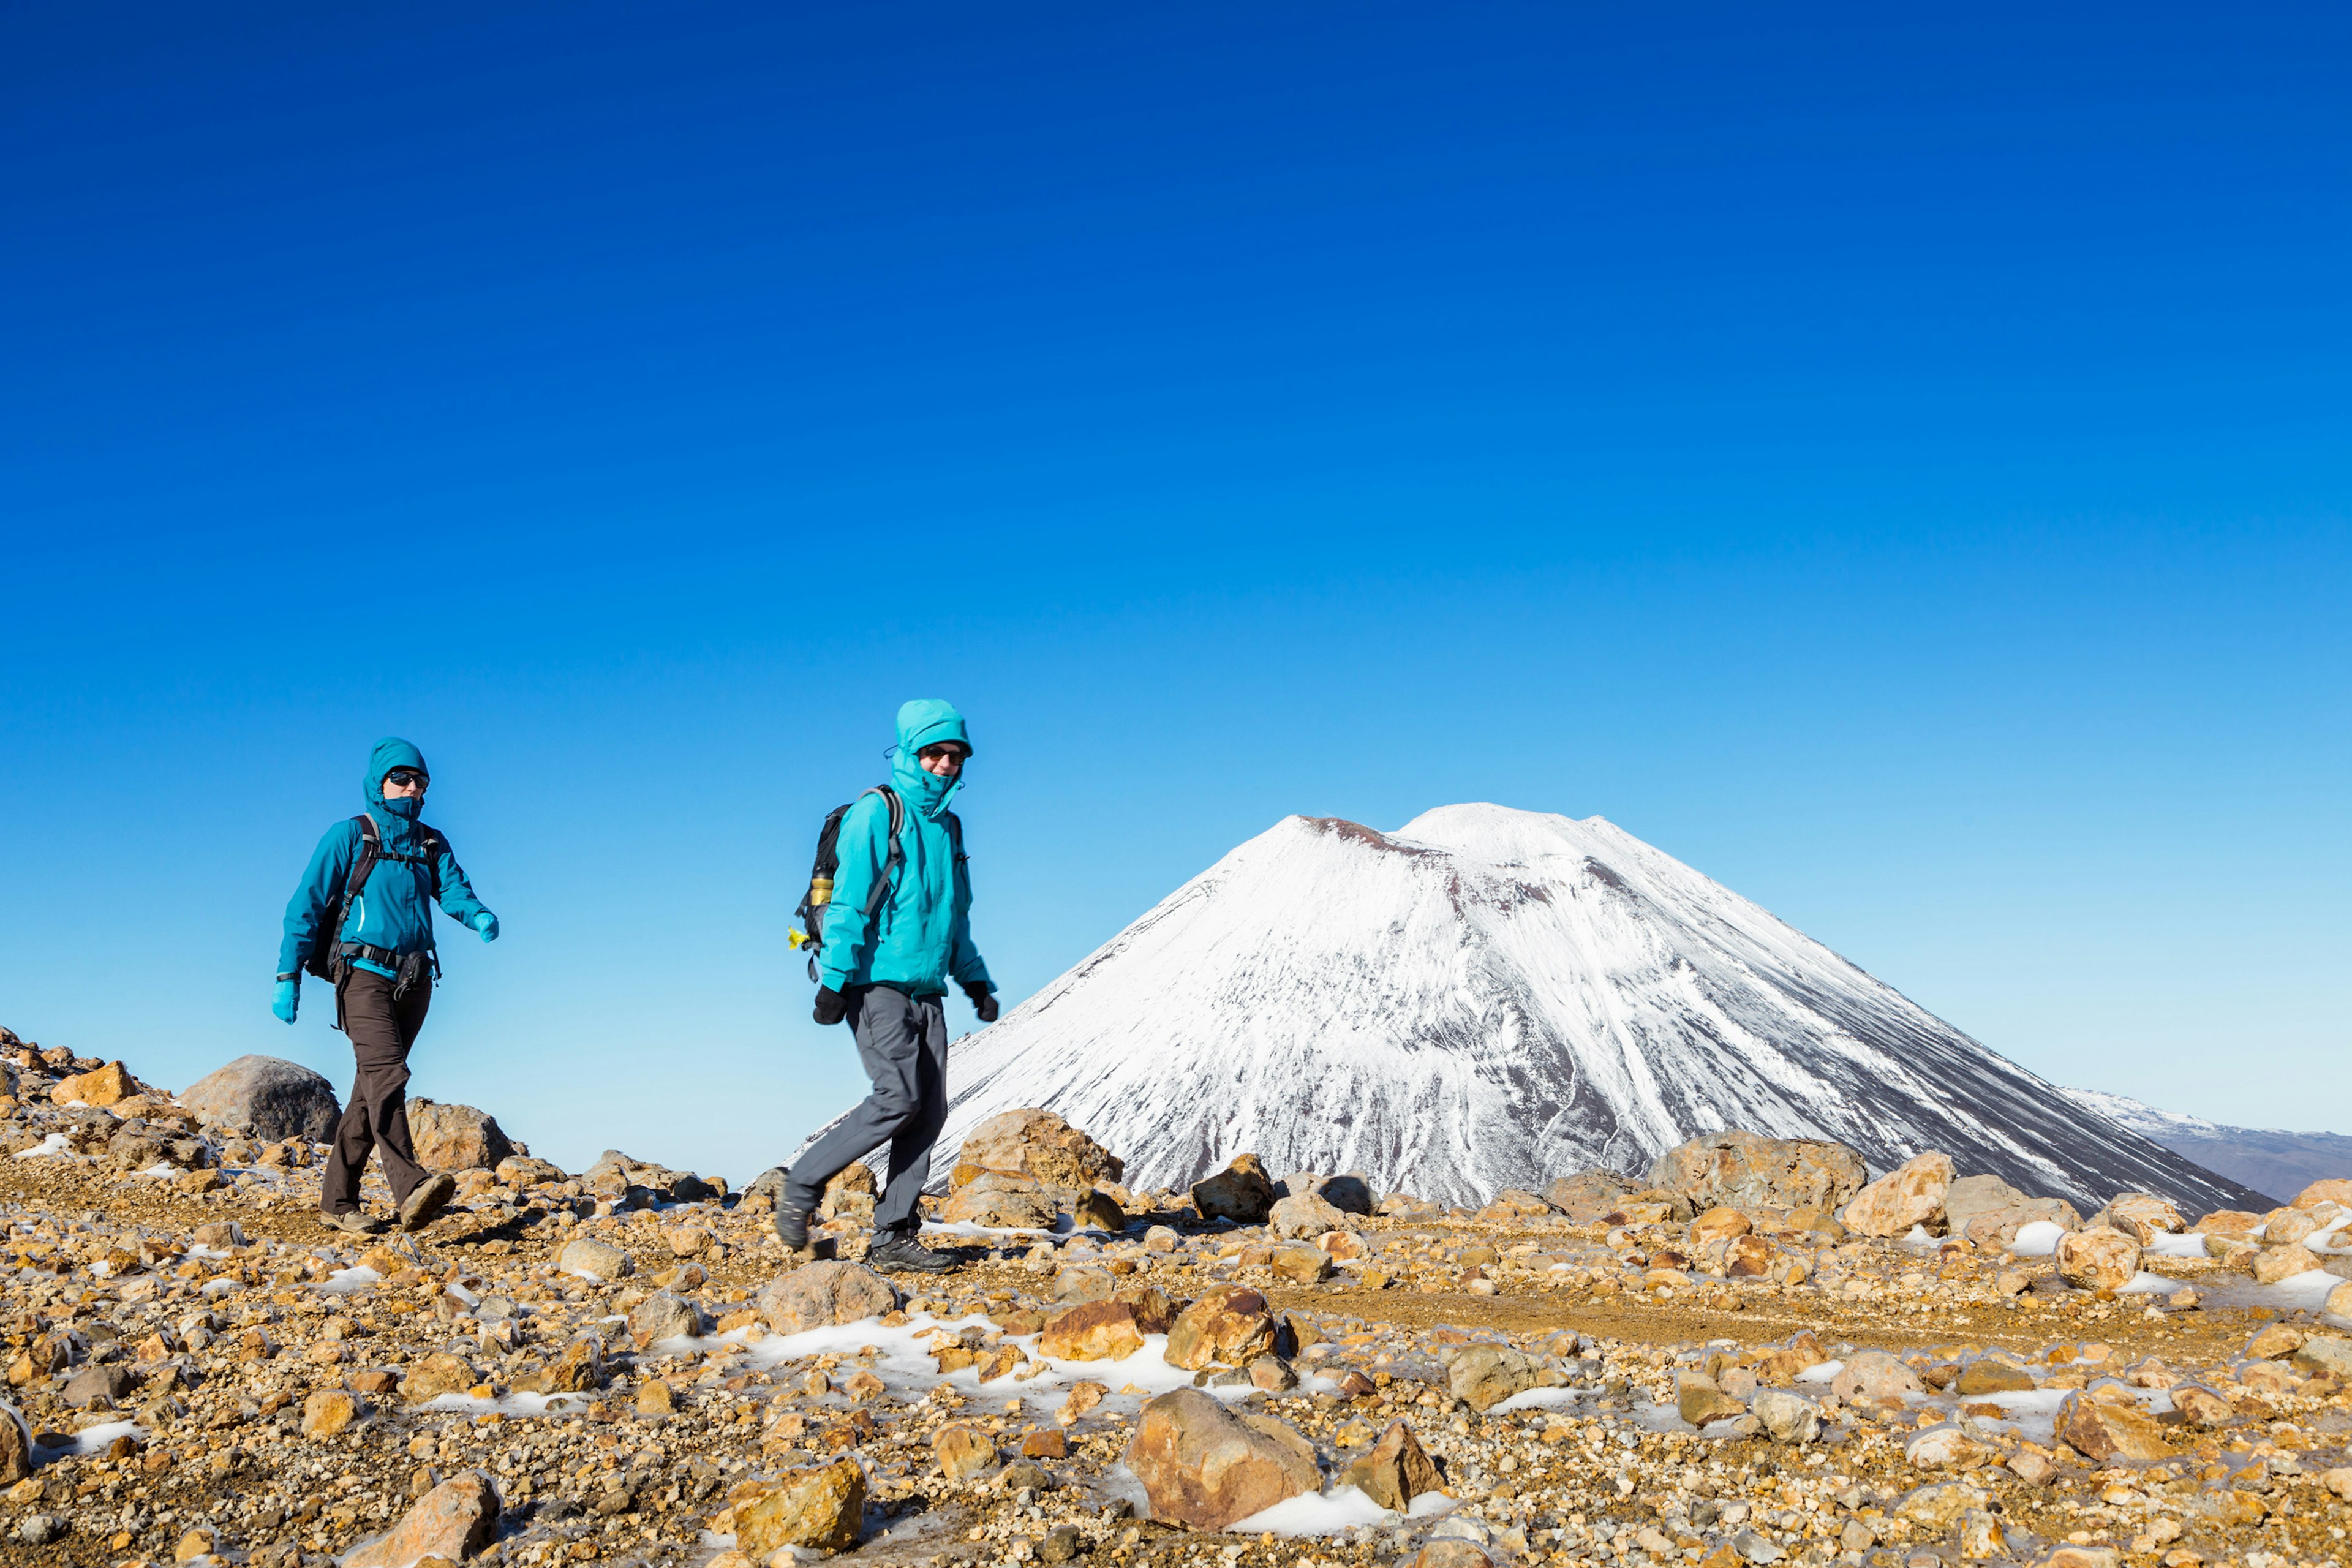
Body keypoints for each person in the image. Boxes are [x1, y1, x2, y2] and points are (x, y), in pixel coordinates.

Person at [780, 699, 999, 1274]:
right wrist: (833, 985)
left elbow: (954, 917)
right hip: (874, 984)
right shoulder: (878, 813)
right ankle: (802, 1183)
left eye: (956, 755)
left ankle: (895, 1236)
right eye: (935, 753)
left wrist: (974, 981)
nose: (947, 765)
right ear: (911, 752)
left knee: (928, 1112)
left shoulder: (949, 828)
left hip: (927, 991)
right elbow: (851, 903)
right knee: (897, 1097)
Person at [275, 739, 500, 1235]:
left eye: (420, 781)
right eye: (402, 779)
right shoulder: (350, 835)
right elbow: (305, 906)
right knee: (389, 1074)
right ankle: (412, 1187)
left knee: (369, 1092)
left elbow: (454, 890)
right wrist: (286, 976)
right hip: (363, 976)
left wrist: (478, 914)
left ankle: (337, 1202)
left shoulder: (430, 842)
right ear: (379, 783)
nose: (412, 788)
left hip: (416, 980)